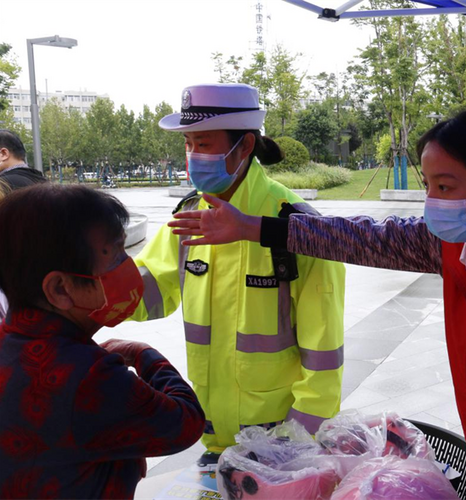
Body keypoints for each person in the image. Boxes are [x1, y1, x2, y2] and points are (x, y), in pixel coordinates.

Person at [170, 109, 466, 500]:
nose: (431, 203)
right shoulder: (448, 247)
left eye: (445, 186)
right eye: (428, 185)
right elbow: (360, 239)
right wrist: (255, 227)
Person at [131, 83, 346, 462]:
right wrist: (85, 287)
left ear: (244, 146)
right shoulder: (188, 219)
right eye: (189, 144)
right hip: (214, 440)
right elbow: (147, 292)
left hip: (280, 448)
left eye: (205, 143)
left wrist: (292, 447)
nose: (193, 155)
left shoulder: (296, 227)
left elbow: (324, 360)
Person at [0, 184, 204, 499]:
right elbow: (186, 422)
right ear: (60, 289)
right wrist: (144, 354)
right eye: (116, 254)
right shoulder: (89, 376)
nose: (128, 266)